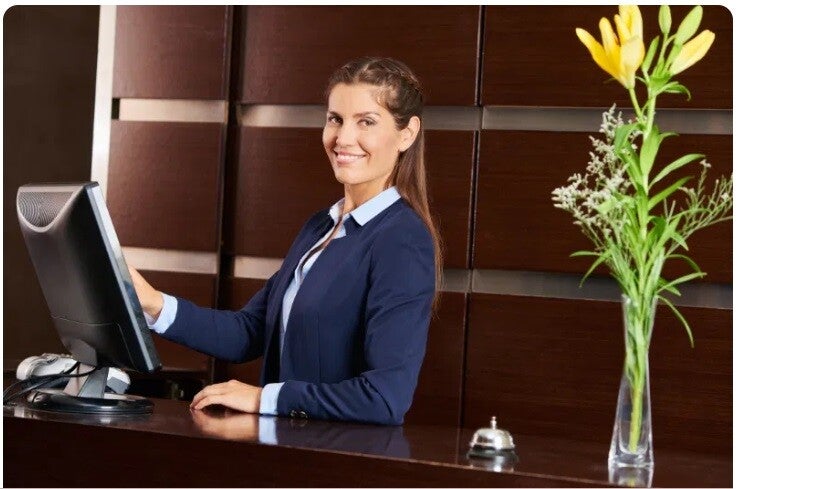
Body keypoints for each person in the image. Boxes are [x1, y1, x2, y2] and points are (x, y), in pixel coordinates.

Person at [128, 56, 442, 426]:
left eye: (366, 122)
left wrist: (265, 398)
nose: (343, 138)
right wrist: (152, 303)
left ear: (407, 134)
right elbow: (248, 332)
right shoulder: (321, 226)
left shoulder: (401, 240)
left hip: (335, 455)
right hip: (289, 447)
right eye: (335, 119)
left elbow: (385, 398)